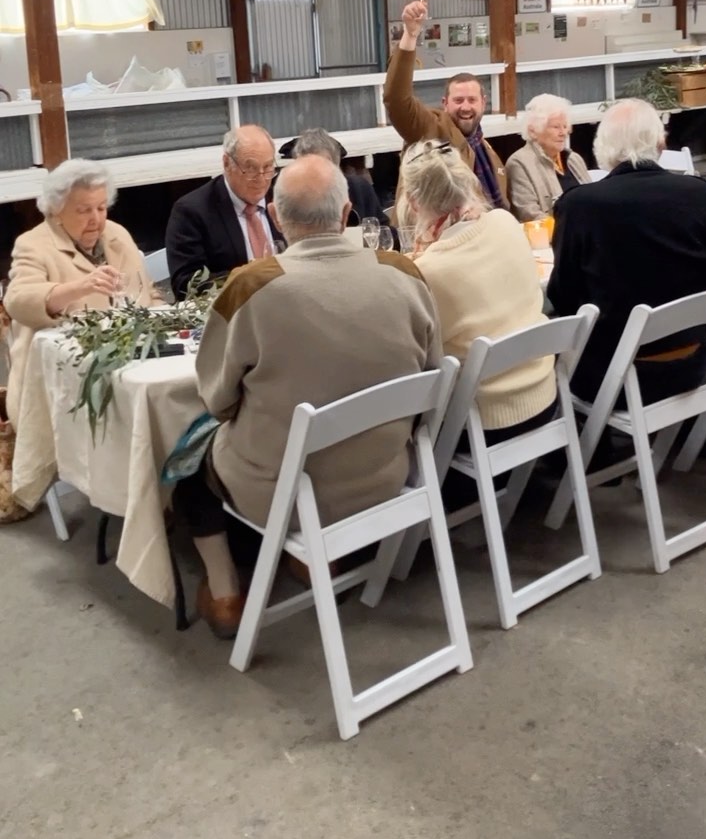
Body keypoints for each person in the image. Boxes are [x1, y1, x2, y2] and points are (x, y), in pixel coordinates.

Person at [173, 154, 441, 639]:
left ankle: (227, 592)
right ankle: (322, 561)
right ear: (345, 216)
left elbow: (215, 398)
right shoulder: (404, 273)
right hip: (385, 475)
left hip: (286, 492)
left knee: (186, 458)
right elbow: (433, 374)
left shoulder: (252, 287)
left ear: (276, 217)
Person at [548, 98, 706, 403]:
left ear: (602, 145)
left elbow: (563, 295)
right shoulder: (699, 192)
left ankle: (589, 451)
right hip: (697, 363)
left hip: (615, 376)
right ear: (660, 142)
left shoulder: (580, 205)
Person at [399, 140, 556, 441]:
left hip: (483, 422)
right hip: (545, 397)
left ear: (413, 202)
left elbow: (419, 356)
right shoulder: (505, 222)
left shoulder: (430, 271)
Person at [3, 159, 158, 428]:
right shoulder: (34, 244)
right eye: (84, 210)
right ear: (56, 210)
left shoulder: (117, 235)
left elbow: (147, 293)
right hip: (56, 388)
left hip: (125, 373)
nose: (96, 219)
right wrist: (80, 287)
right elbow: (17, 301)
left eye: (101, 208)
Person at [383, 0, 508, 209]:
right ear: (445, 104)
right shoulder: (432, 130)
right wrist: (410, 34)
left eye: (472, 100)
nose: (466, 107)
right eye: (458, 100)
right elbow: (396, 99)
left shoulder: (485, 148)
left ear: (484, 103)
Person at [165, 124, 284, 299]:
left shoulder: (283, 197)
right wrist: (247, 279)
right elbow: (186, 285)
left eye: (267, 167)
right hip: (229, 313)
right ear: (227, 163)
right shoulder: (192, 211)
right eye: (250, 168)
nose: (261, 178)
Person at [506, 93, 591, 221]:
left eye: (565, 126)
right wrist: (568, 231)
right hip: (553, 237)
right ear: (533, 131)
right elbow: (529, 214)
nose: (563, 133)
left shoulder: (574, 159)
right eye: (556, 127)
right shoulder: (519, 163)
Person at [279, 127, 388, 225]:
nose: (314, 173)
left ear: (336, 166)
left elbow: (385, 231)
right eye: (306, 167)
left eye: (321, 166)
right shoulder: (291, 197)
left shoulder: (358, 188)